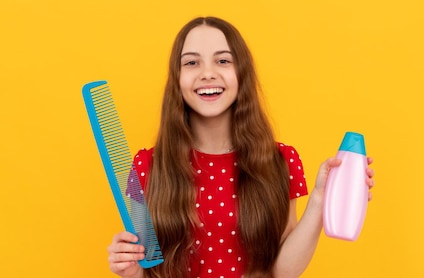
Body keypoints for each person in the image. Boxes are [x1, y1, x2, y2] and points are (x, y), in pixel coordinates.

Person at [106, 16, 375, 278]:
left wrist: (319, 199)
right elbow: (146, 265)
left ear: (241, 73)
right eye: (191, 63)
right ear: (176, 79)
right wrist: (131, 270)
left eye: (223, 60)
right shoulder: (145, 166)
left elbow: (283, 271)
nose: (207, 73)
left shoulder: (280, 161)